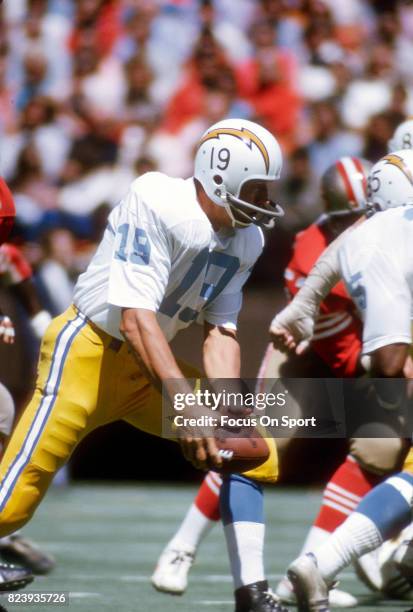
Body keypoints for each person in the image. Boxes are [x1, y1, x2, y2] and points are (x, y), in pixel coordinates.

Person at [0, 119, 286, 612]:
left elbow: (220, 332)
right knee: (13, 503)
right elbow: (135, 318)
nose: (263, 200)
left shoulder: (247, 240)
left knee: (253, 450)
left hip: (149, 367)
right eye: (255, 188)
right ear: (220, 176)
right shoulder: (158, 199)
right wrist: (188, 406)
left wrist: (230, 409)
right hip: (88, 354)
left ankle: (252, 593)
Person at [152, 156, 375, 608]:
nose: (363, 224)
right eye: (355, 216)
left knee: (377, 451)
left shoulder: (382, 235)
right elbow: (335, 345)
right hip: (303, 354)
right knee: (250, 446)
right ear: (335, 212)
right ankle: (182, 546)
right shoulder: (314, 250)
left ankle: (315, 567)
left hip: (352, 349)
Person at [274, 149, 413, 611]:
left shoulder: (356, 236)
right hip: (373, 363)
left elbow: (334, 256)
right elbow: (388, 361)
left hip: (376, 356)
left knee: (395, 463)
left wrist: (300, 305)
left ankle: (325, 561)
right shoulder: (390, 237)